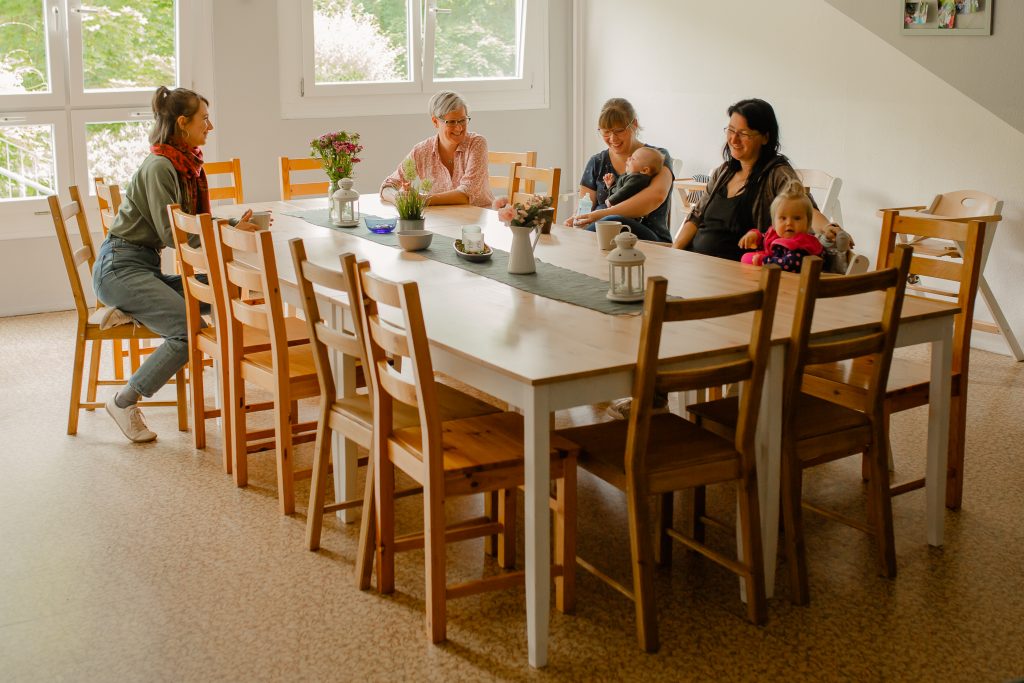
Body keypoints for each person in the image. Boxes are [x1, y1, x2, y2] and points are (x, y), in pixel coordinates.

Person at [92, 86, 257, 443]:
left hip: (141, 267)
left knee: (221, 295)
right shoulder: (160, 167)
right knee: (188, 330)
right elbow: (174, 234)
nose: (209, 127)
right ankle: (124, 400)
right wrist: (228, 229)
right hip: (120, 269)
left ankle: (133, 308)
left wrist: (227, 227)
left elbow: (186, 227)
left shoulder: (183, 164)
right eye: (204, 119)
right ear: (183, 123)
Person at [673, 98, 844, 259]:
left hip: (742, 272)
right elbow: (696, 217)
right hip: (696, 262)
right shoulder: (723, 172)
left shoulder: (777, 174)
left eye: (743, 133)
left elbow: (804, 209)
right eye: (731, 130)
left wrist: (827, 227)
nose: (733, 139)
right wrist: (674, 253)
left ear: (765, 137)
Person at [565, 98, 675, 243]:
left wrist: (600, 215)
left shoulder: (657, 157)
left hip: (649, 238)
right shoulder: (597, 162)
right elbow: (585, 206)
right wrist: (576, 219)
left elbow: (655, 197)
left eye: (619, 131)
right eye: (606, 132)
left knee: (612, 222)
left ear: (634, 124)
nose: (612, 138)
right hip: (598, 238)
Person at [380, 90, 493, 208]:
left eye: (463, 120)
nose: (459, 127)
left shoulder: (477, 144)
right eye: (452, 122)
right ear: (435, 121)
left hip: (477, 219)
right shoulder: (422, 151)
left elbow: (466, 194)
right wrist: (399, 198)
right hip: (440, 220)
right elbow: (388, 185)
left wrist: (421, 199)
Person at [741, 180, 823, 272]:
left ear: (808, 223)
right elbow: (767, 240)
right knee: (746, 257)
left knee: (751, 260)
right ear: (774, 223)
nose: (789, 223)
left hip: (791, 282)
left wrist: (764, 261)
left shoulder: (801, 245)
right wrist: (756, 237)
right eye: (783, 218)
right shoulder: (776, 234)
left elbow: (789, 264)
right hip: (773, 276)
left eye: (796, 218)